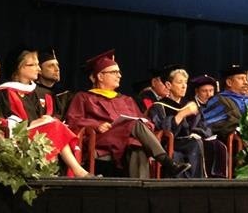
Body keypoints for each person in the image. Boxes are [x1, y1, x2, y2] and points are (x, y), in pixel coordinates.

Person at [63, 49, 190, 178]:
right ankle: (168, 162)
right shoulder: (83, 97)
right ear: (100, 76)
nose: (120, 76)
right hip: (102, 138)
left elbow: (144, 120)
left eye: (119, 72)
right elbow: (73, 120)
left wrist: (147, 125)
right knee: (134, 125)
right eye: (114, 72)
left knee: (138, 146)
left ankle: (139, 192)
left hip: (126, 139)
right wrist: (97, 125)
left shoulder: (125, 99)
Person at [0, 48, 90, 177]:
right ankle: (78, 171)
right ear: (20, 68)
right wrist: (33, 124)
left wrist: (44, 121)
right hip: (17, 141)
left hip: (40, 138)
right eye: (33, 65)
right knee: (54, 126)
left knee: (55, 125)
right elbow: (2, 124)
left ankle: (70, 171)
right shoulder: (5, 92)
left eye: (38, 64)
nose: (38, 69)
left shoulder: (42, 93)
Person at [147, 66, 205, 178]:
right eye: (179, 82)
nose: (184, 86)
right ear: (169, 85)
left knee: (206, 144)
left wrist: (197, 132)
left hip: (190, 142)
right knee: (191, 146)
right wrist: (181, 114)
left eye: (185, 82)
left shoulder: (189, 105)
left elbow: (203, 126)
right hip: (169, 144)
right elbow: (164, 131)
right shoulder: (159, 106)